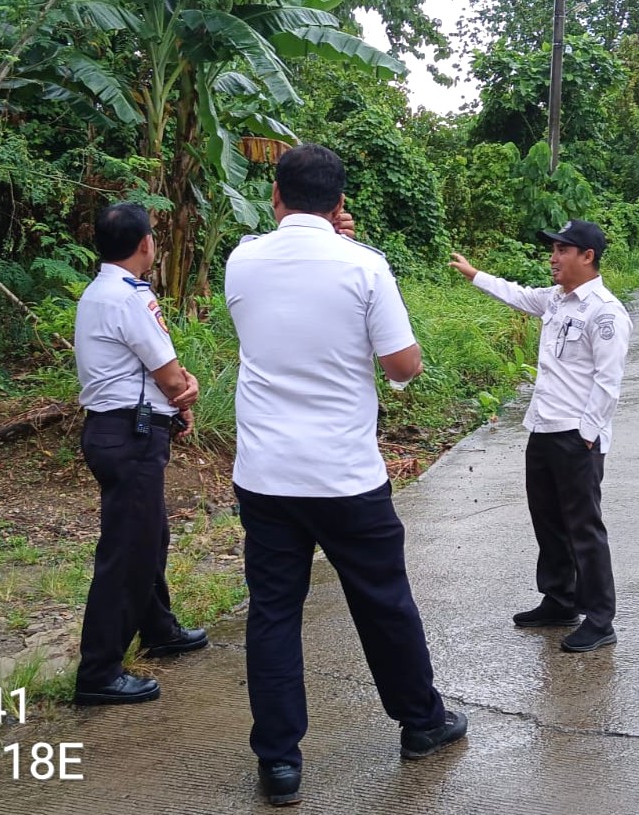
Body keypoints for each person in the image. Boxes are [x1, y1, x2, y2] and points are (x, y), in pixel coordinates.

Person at [225, 144, 467, 807]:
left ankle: (279, 762)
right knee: (382, 600)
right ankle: (421, 722)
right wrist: (348, 251)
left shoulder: (242, 260)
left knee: (273, 612)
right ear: (339, 204)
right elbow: (403, 365)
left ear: (275, 196)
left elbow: (281, 308)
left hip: (266, 475)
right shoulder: (364, 266)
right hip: (344, 476)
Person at [449, 219, 632, 654]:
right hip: (543, 428)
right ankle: (559, 600)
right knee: (547, 521)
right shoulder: (555, 299)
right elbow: (515, 293)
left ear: (587, 256)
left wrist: (587, 435)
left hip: (576, 437)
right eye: (553, 250)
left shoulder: (605, 312)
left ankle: (600, 619)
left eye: (562, 250)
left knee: (583, 528)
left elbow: (608, 382)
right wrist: (474, 274)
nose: (553, 257)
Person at [72, 202, 208, 706]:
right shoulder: (130, 297)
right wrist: (184, 394)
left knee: (148, 535)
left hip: (115, 429)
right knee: (128, 550)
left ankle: (158, 628)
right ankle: (99, 671)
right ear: (146, 244)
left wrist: (173, 400)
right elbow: (169, 375)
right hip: (130, 434)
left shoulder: (98, 291)